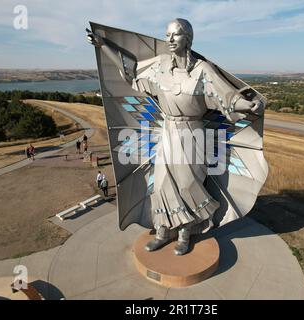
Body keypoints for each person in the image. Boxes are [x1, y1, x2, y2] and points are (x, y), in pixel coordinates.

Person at [87, 19, 262, 255]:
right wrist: (104, 46)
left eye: (176, 35)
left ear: (187, 38)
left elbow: (227, 96)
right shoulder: (160, 67)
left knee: (188, 184)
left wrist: (248, 105)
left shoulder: (203, 70)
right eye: (167, 34)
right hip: (168, 131)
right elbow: (131, 73)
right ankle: (162, 231)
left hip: (193, 134)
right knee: (160, 183)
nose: (169, 39)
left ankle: (184, 234)